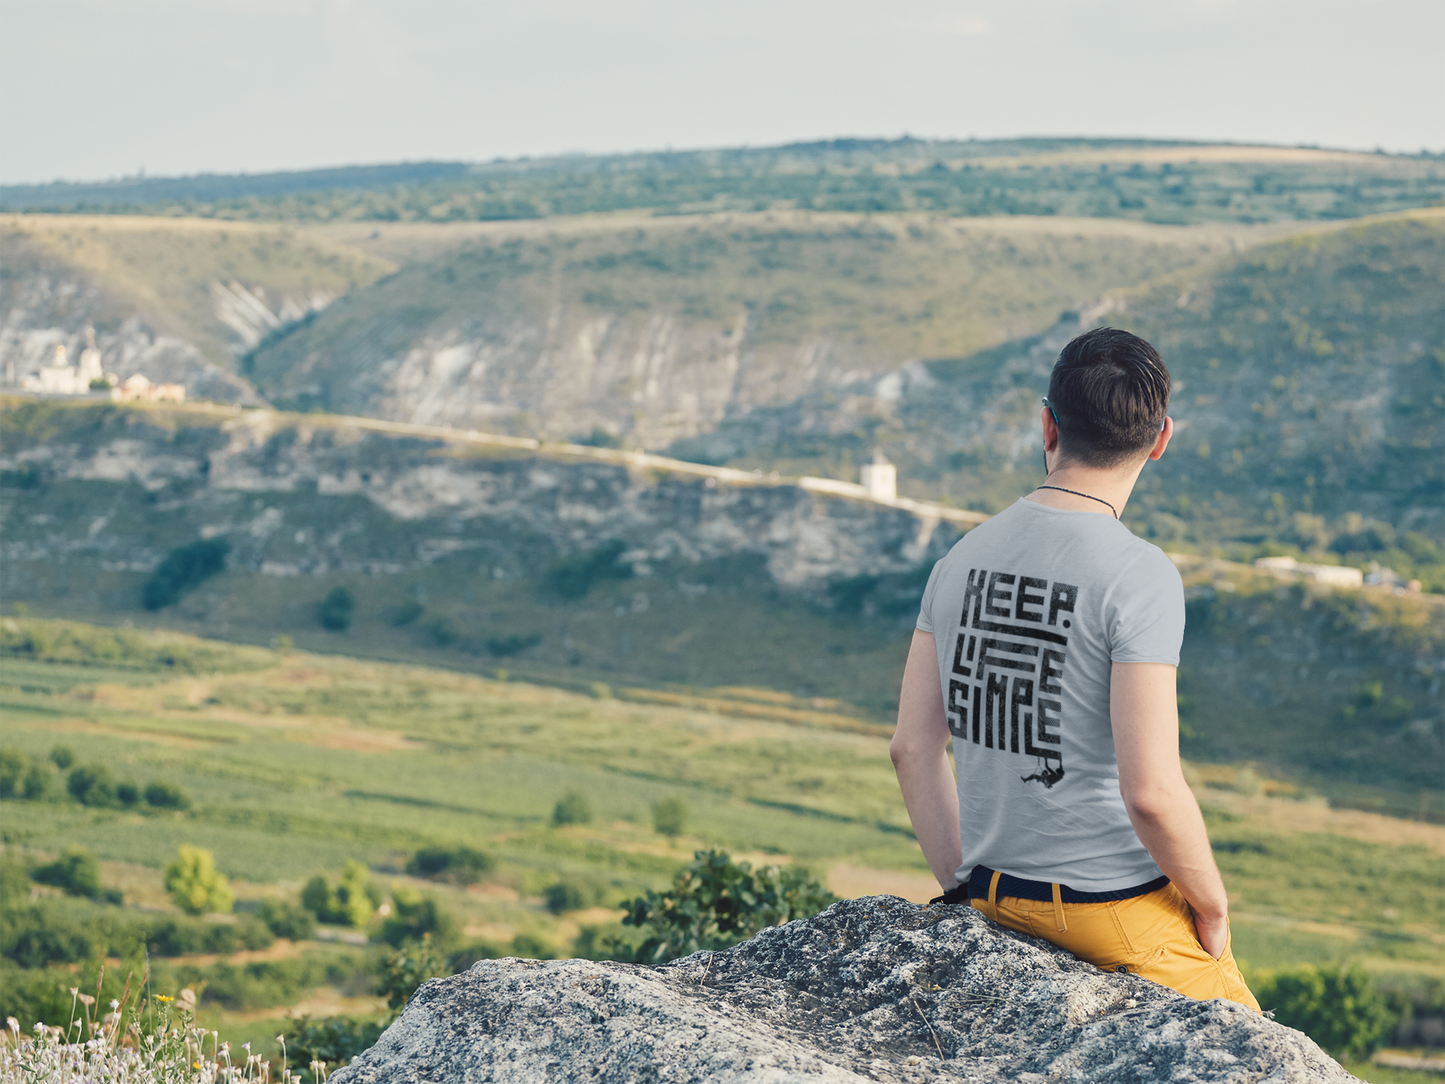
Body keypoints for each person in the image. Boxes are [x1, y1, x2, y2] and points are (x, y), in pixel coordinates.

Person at [890, 326, 1258, 1010]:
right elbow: (1149, 791)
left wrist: (963, 891)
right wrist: (1210, 903)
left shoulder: (959, 559)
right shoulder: (1139, 574)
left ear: (1047, 425)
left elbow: (911, 749)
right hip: (1107, 909)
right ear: (1160, 439)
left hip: (993, 894)